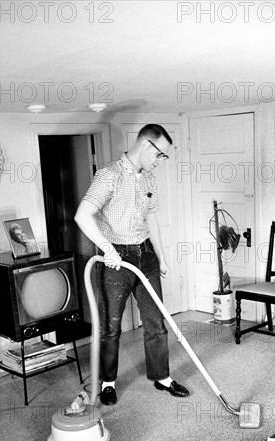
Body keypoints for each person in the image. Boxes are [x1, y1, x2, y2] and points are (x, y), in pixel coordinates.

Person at [75, 124, 190, 405]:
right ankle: (108, 382)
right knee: (111, 326)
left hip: (145, 255)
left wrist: (161, 258)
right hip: (115, 259)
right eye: (161, 155)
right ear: (147, 145)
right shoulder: (108, 175)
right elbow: (82, 215)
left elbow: (152, 220)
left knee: (155, 320)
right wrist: (107, 248)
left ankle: (161, 377)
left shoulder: (148, 179)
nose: (161, 161)